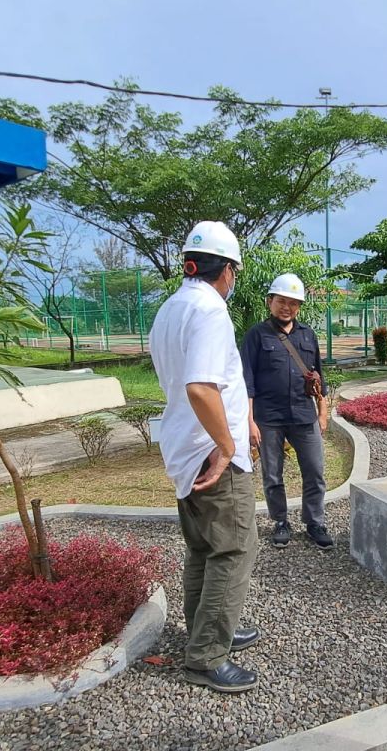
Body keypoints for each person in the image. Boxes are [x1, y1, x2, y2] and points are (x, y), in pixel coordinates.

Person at [149, 220, 262, 694]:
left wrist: (241, 423)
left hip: (183, 447)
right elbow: (201, 386)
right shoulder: (211, 311)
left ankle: (207, 631)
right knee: (234, 549)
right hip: (211, 454)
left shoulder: (172, 307)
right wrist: (228, 446)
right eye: (234, 270)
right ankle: (206, 656)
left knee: (203, 548)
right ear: (228, 270)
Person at [240, 273, 333, 550]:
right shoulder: (257, 335)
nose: (287, 307)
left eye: (293, 303)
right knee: (272, 474)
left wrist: (323, 410)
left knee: (315, 471)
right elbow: (247, 381)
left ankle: (314, 521)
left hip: (304, 415)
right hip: (269, 417)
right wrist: (249, 421)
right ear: (270, 301)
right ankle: (280, 521)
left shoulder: (308, 335)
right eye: (282, 301)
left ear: (299, 307)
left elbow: (318, 375)